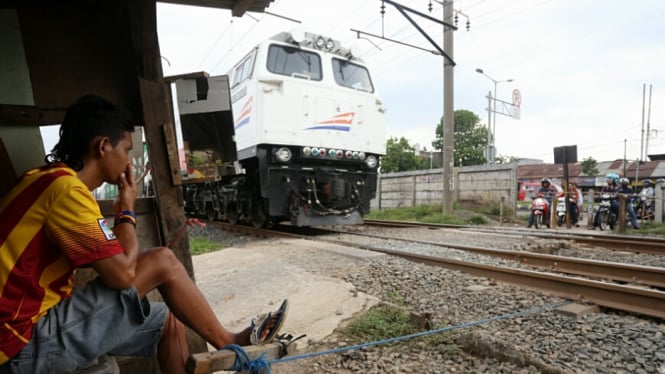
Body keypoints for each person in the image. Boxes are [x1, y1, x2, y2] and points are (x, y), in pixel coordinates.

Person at [0, 95, 287, 373]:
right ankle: (227, 341)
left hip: (25, 332)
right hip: (18, 344)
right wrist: (126, 209)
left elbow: (106, 257)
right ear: (102, 146)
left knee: (166, 322)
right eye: (126, 149)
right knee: (163, 260)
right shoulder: (66, 191)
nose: (128, 159)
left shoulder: (40, 178)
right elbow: (123, 274)